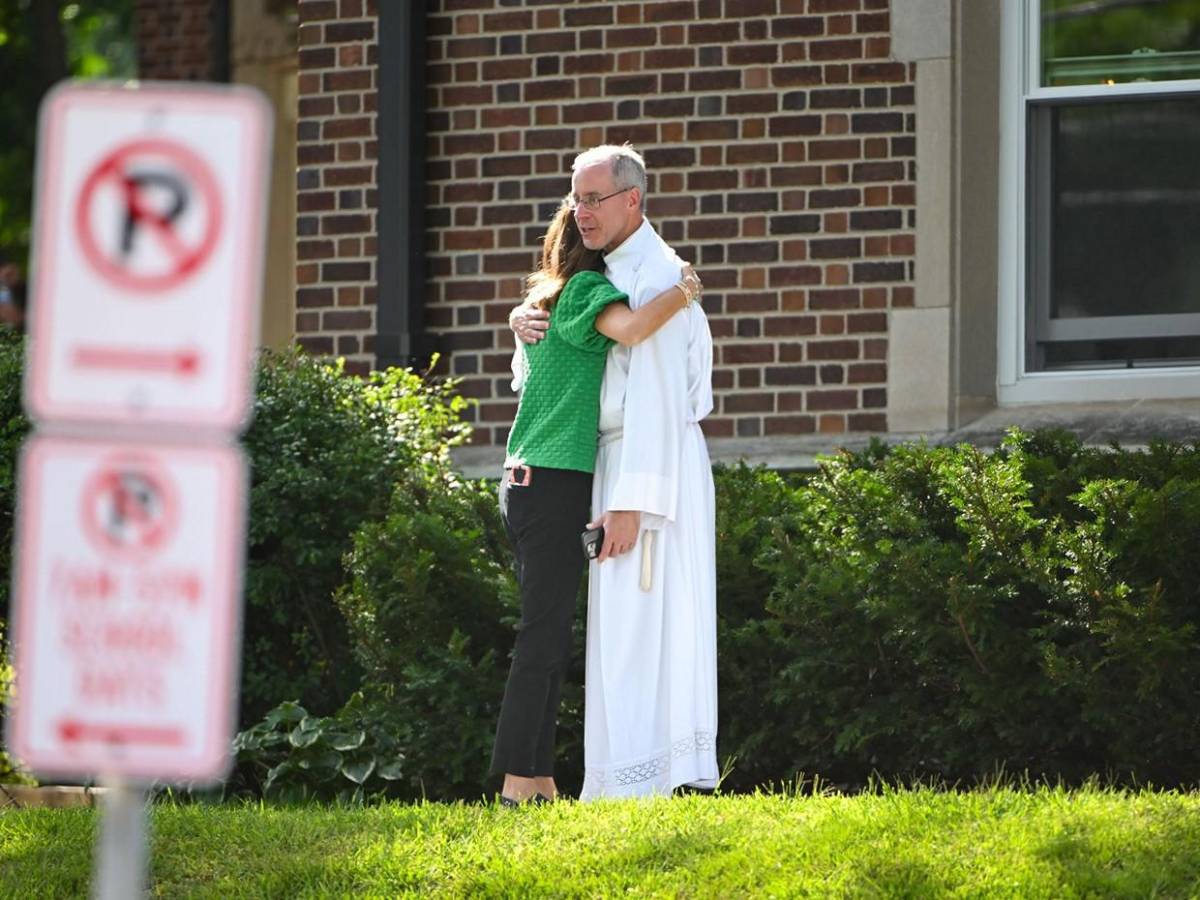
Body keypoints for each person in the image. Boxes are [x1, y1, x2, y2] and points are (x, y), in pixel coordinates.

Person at [510, 144, 719, 800]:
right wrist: (522, 324)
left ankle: (646, 782)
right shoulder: (602, 273)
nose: (581, 211)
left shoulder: (654, 272)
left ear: (634, 199)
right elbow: (539, 375)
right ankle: (605, 779)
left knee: (641, 631)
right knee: (615, 634)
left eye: (594, 197)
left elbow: (655, 391)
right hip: (592, 465)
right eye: (575, 198)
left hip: (643, 470)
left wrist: (632, 501)